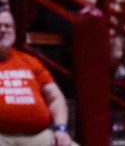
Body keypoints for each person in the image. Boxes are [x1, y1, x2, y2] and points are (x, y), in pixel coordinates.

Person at [0, 8, 77, 145]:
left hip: (37, 136)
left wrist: (61, 129)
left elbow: (55, 96)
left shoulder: (30, 61)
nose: (3, 30)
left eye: (8, 26)